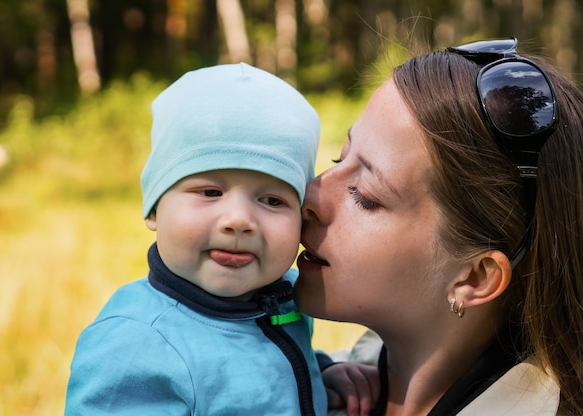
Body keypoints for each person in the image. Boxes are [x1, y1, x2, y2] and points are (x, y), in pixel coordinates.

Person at [65, 62, 378, 415]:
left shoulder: (286, 297)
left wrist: (318, 377)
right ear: (154, 209)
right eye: (210, 192)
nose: (239, 220)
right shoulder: (136, 345)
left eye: (272, 200)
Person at [295, 37, 583, 415]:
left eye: (365, 195)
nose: (310, 196)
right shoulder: (312, 382)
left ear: (475, 278)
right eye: (340, 156)